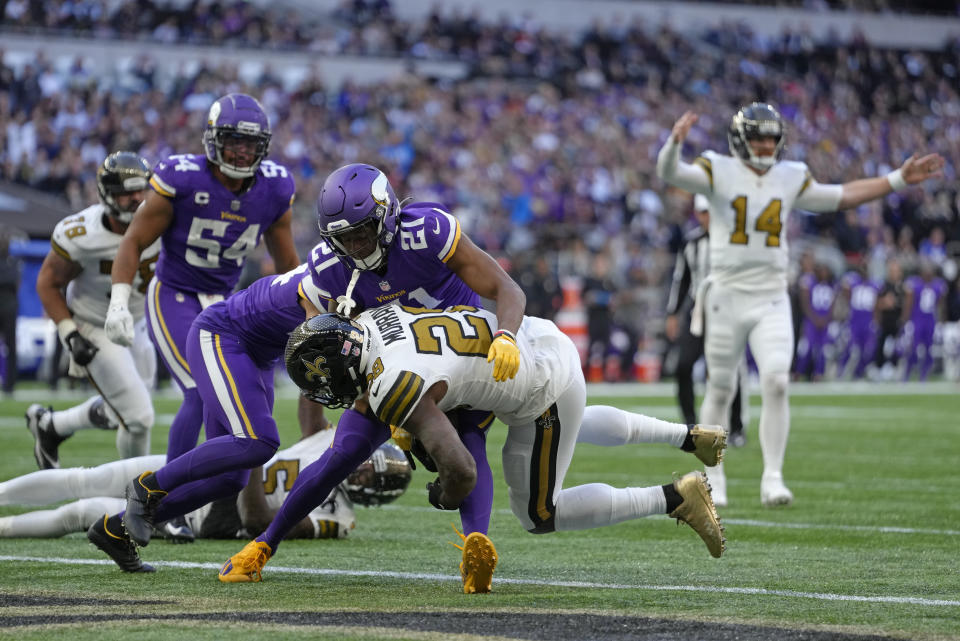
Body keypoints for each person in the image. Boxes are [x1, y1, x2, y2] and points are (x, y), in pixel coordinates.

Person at [220, 306, 727, 590]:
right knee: (347, 454)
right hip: (524, 337)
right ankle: (686, 437)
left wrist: (441, 492)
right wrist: (268, 539)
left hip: (542, 388)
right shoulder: (373, 320)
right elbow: (335, 464)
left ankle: (674, 497)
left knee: (538, 514)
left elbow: (460, 469)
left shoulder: (390, 385)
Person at [251, 162, 528, 592]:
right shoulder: (328, 267)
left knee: (469, 438)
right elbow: (333, 344)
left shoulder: (428, 232)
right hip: (393, 365)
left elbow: (506, 288)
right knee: (340, 454)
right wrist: (371, 395)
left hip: (455, 359)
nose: (356, 244)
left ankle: (478, 543)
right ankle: (263, 545)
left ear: (388, 214)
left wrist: (506, 335)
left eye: (363, 231)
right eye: (345, 237)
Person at [656, 103, 944, 507]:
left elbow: (840, 196)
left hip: (771, 294)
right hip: (726, 293)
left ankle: (772, 476)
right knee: (720, 386)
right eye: (758, 137)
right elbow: (670, 172)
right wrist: (674, 144)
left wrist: (897, 179)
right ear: (740, 140)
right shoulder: (717, 167)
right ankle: (713, 477)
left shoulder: (789, 176)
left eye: (771, 138)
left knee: (776, 381)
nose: (765, 145)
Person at [88, 257, 322, 572]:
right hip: (224, 334)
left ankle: (114, 529)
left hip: (258, 353)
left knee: (230, 479)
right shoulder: (343, 275)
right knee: (259, 440)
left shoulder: (366, 277)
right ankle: (146, 487)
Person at [103, 93, 300, 462]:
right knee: (199, 389)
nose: (242, 152)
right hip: (174, 292)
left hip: (225, 301)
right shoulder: (183, 178)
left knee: (237, 397)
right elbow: (133, 241)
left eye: (251, 143)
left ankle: (214, 493)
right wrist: (118, 301)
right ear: (213, 139)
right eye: (234, 141)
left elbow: (288, 264)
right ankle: (166, 498)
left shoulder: (275, 187)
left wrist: (306, 315)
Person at [1, 431, 409, 556]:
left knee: (82, 511)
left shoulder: (339, 520)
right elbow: (313, 414)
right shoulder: (335, 442)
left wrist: (251, 458)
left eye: (372, 477)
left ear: (375, 495)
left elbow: (257, 521)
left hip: (205, 512)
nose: (361, 469)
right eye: (370, 461)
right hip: (213, 465)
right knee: (88, 478)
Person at [26, 152, 159, 469]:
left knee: (122, 412)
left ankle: (51, 426)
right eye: (128, 192)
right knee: (139, 418)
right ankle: (136, 496)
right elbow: (48, 283)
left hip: (137, 322)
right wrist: (70, 334)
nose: (137, 199)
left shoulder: (161, 219)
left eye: (142, 190)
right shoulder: (82, 234)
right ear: (108, 194)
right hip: (94, 324)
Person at [665, 194, 748, 446]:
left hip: (726, 312)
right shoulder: (691, 242)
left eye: (710, 212)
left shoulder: (733, 242)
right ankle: (690, 424)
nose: (706, 217)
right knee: (683, 365)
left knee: (729, 369)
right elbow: (682, 280)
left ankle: (736, 428)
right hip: (697, 312)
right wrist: (672, 313)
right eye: (702, 212)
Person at [901, 260, 946, 381]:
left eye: (930, 271)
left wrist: (940, 322)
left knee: (928, 348)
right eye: (926, 271)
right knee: (913, 347)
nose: (928, 273)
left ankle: (924, 374)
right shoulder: (914, 284)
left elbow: (940, 305)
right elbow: (908, 303)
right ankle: (907, 372)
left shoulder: (938, 285)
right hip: (917, 320)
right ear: (921, 272)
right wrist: (906, 321)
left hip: (930, 320)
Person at [837, 260, 881, 380]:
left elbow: (876, 305)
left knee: (867, 349)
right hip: (854, 321)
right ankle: (840, 371)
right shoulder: (853, 281)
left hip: (867, 321)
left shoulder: (874, 284)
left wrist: (876, 321)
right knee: (849, 347)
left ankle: (859, 373)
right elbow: (843, 288)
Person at [793, 263, 837, 381]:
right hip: (811, 322)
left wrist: (826, 319)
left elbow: (832, 305)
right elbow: (805, 303)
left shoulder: (831, 286)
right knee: (806, 348)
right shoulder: (810, 283)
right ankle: (798, 373)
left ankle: (818, 374)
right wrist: (814, 318)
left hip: (824, 323)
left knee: (823, 349)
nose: (824, 274)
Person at [0, 224, 23, 395]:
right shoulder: (13, 263)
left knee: (11, 345)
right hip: (8, 302)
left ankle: (10, 384)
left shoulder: (13, 261)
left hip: (9, 306)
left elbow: (15, 282)